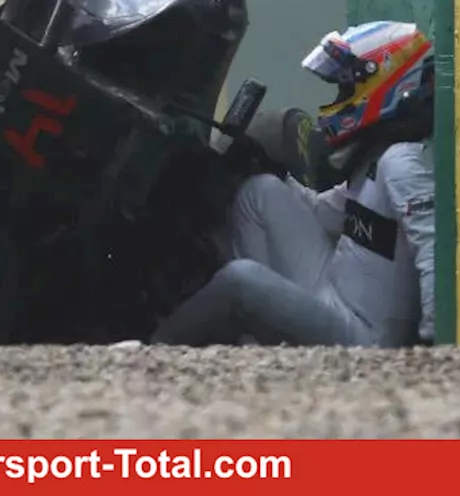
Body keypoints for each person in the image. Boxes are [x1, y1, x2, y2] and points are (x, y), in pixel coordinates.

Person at [148, 20, 436, 348]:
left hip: (363, 339)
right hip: (333, 290)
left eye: (346, 89)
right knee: (260, 192)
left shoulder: (401, 162)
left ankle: (153, 350)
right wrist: (265, 166)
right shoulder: (378, 155)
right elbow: (323, 212)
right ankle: (257, 339)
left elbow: (432, 251)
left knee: (240, 278)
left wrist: (432, 345)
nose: (339, 98)